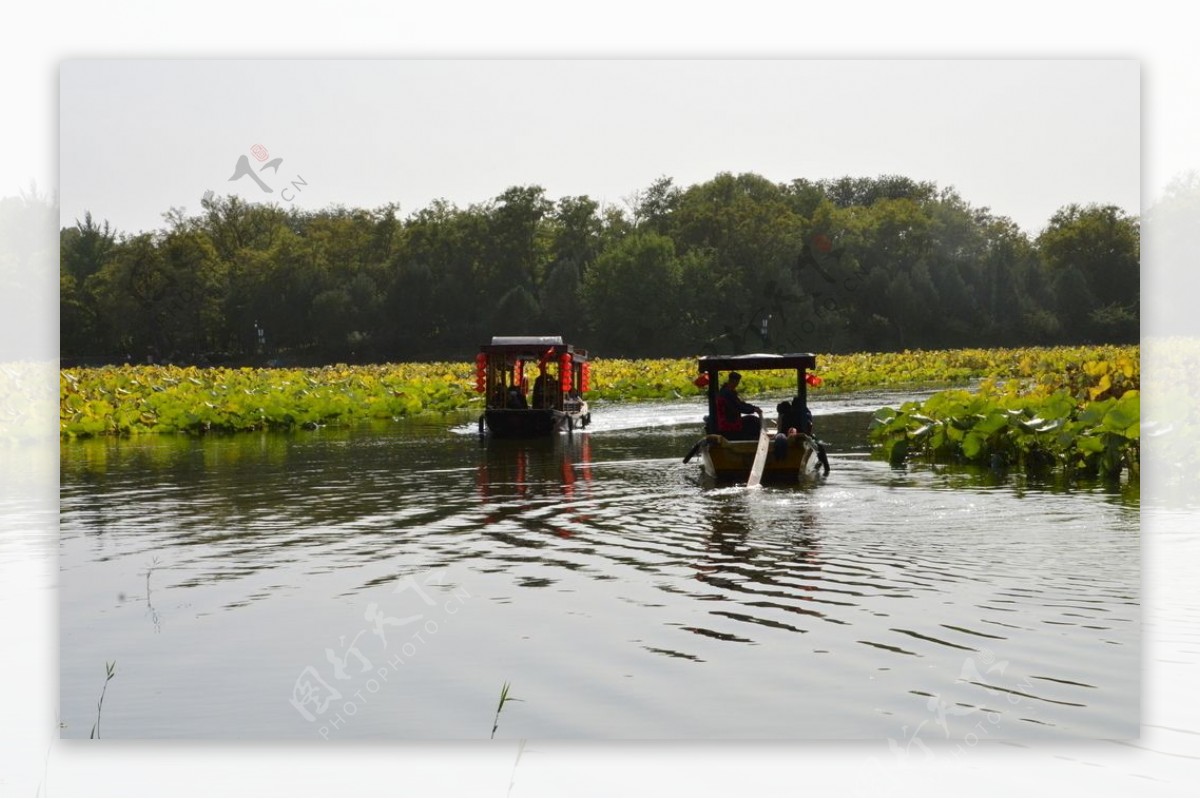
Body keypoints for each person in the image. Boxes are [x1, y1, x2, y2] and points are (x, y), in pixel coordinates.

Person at [715, 371, 762, 440]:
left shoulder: (729, 392)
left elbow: (740, 404)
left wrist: (753, 408)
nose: (736, 385)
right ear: (732, 381)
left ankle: (755, 438)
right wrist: (752, 410)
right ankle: (755, 439)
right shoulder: (726, 394)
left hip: (732, 420)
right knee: (753, 421)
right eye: (736, 383)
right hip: (728, 424)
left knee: (753, 420)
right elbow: (738, 407)